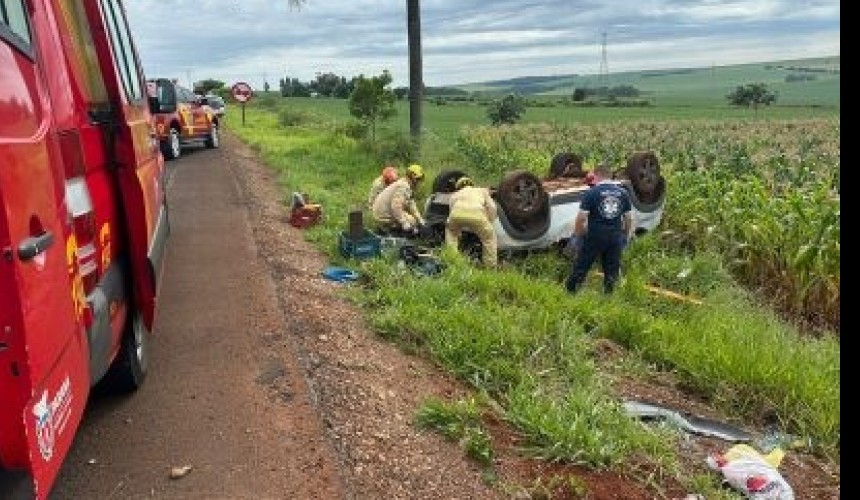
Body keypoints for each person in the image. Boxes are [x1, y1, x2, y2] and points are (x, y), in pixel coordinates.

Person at [565, 162, 634, 294]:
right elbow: (629, 218)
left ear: (596, 176)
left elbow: (581, 218)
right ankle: (608, 296)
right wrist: (625, 235)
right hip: (614, 236)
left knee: (583, 264)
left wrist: (578, 235)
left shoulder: (592, 193)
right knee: (611, 268)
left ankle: (570, 292)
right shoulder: (623, 193)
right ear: (610, 176)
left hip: (595, 235)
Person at [445, 177, 498, 268]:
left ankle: (453, 261)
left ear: (458, 187)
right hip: (477, 215)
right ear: (471, 184)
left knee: (452, 235)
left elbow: (452, 209)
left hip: (456, 216)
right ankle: (490, 266)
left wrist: (458, 228)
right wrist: (490, 220)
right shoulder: (481, 190)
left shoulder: (454, 194)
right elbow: (492, 207)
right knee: (489, 238)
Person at [371, 163, 426, 235]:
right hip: (383, 215)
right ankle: (390, 230)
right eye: (418, 179)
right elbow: (396, 207)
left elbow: (411, 203)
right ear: (413, 178)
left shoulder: (406, 185)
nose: (419, 182)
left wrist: (420, 219)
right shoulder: (403, 186)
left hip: (383, 212)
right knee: (412, 222)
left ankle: (392, 228)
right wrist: (404, 223)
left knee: (413, 221)